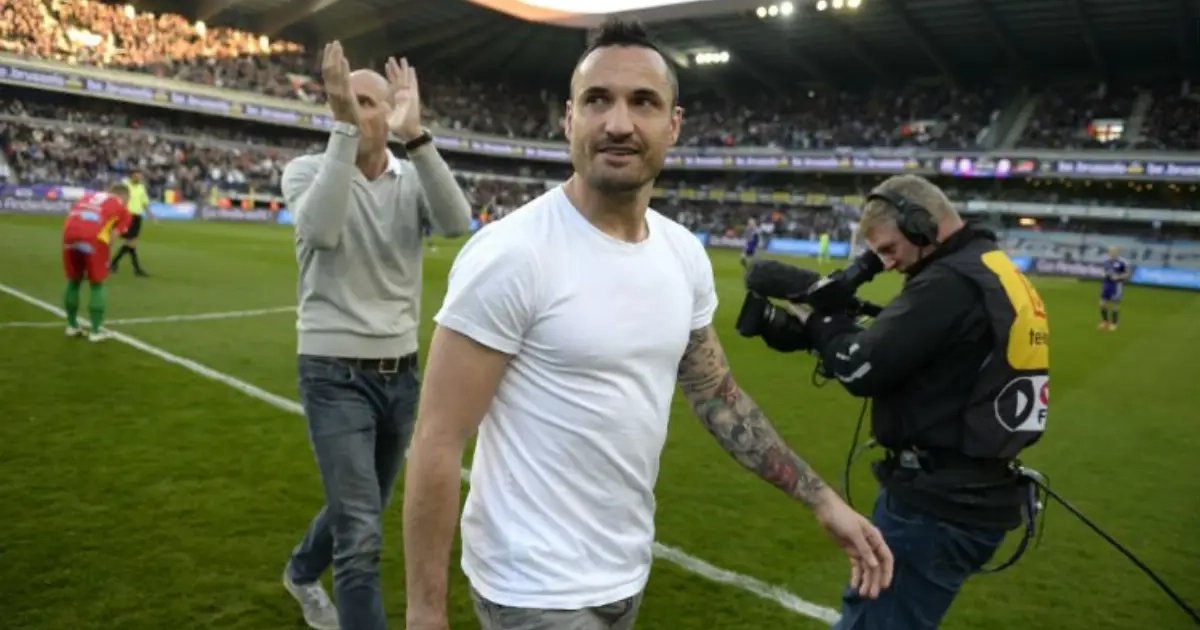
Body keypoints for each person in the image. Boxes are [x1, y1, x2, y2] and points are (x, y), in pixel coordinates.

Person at [401, 18, 893, 630]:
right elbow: (438, 438)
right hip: (532, 587)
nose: (618, 123)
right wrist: (425, 613)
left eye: (643, 102)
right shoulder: (513, 254)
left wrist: (822, 501)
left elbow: (717, 395)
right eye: (597, 100)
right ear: (569, 119)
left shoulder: (682, 254)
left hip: (625, 572)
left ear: (673, 124)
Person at [786, 174, 1050, 630]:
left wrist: (822, 323)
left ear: (922, 224)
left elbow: (862, 367)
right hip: (979, 491)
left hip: (935, 505)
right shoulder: (992, 267)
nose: (888, 264)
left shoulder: (949, 282)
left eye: (890, 248)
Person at [278, 41, 472, 630]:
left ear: (390, 112)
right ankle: (320, 584)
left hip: (401, 374)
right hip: (331, 372)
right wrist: (343, 131)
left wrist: (417, 136)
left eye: (368, 103)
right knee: (361, 536)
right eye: (347, 100)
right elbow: (321, 231)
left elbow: (457, 223)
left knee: (364, 507)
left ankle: (300, 570)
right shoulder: (307, 172)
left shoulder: (411, 179)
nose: (356, 111)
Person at [62, 183, 133, 342]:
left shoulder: (88, 196)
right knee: (97, 283)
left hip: (69, 233)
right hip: (93, 238)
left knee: (73, 281)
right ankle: (95, 331)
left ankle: (71, 326)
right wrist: (103, 257)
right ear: (124, 196)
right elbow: (113, 235)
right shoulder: (123, 208)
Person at [108, 168, 152, 277]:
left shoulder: (141, 187)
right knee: (130, 242)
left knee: (132, 243)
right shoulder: (124, 184)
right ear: (132, 175)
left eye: (140, 175)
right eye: (136, 175)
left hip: (137, 217)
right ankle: (135, 269)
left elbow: (145, 202)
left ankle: (114, 264)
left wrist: (152, 215)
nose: (139, 177)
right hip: (126, 215)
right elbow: (115, 195)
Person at [1099, 246, 1130, 330]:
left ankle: (1114, 323)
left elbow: (1127, 274)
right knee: (1102, 303)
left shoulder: (1122, 262)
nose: (1111, 253)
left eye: (1113, 251)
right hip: (1106, 284)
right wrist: (1102, 274)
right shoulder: (1106, 261)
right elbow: (1103, 270)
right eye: (1110, 251)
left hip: (1116, 285)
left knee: (1114, 304)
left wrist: (1118, 277)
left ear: (1117, 252)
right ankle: (1105, 321)